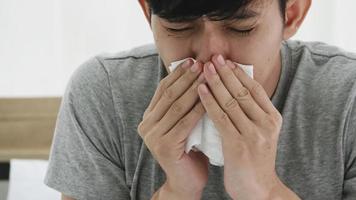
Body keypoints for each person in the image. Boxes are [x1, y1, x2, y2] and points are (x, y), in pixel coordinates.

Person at [44, 0, 356, 199]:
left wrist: (263, 190)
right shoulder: (104, 93)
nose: (209, 57)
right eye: (178, 28)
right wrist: (177, 191)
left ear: (292, 13)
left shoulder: (347, 96)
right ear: (146, 11)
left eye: (240, 28)